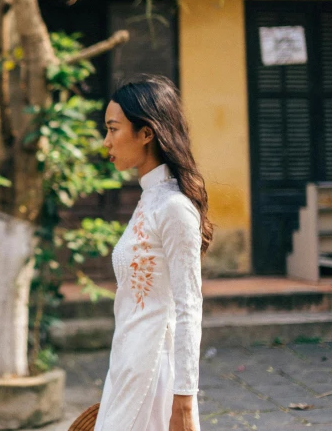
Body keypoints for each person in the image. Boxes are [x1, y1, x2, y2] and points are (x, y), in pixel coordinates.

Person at [94, 74, 212, 431]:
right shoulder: (150, 199)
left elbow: (189, 306)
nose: (106, 142)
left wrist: (185, 402)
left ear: (146, 133)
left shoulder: (174, 208)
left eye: (113, 129)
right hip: (128, 365)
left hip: (154, 374)